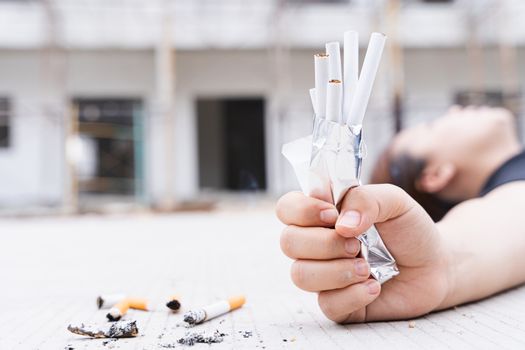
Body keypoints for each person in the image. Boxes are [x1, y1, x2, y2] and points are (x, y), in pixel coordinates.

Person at [275, 106, 525, 323]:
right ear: (434, 175)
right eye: (432, 126)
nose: (455, 110)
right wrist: (443, 263)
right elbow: (508, 219)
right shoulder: (512, 188)